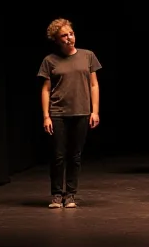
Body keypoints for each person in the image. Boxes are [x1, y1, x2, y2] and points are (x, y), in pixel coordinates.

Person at [38, 18, 101, 209]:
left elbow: (94, 84)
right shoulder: (50, 61)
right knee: (58, 155)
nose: (69, 38)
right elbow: (46, 89)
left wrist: (95, 111)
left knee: (75, 155)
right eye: (64, 36)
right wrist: (46, 116)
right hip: (58, 112)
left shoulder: (87, 56)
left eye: (71, 34)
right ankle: (57, 194)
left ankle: (71, 194)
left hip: (81, 112)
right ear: (57, 40)